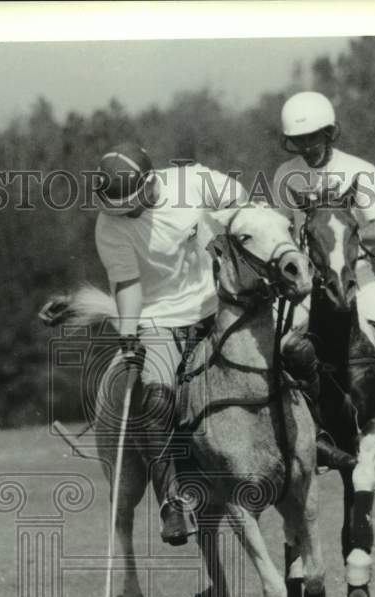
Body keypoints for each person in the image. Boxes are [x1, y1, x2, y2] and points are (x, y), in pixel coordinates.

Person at [92, 142, 257, 545]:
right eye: (118, 208)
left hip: (218, 306)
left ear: (151, 182)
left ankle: (315, 442)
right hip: (158, 319)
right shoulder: (109, 224)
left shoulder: (193, 181)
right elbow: (127, 285)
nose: (126, 213)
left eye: (132, 203)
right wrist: (129, 334)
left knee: (280, 353)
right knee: (157, 393)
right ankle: (172, 501)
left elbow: (245, 209)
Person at [273, 91, 375, 463]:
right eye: (299, 140)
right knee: (281, 350)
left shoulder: (359, 170)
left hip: (357, 277)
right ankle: (303, 432)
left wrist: (344, 236)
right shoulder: (285, 175)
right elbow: (280, 228)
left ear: (330, 132)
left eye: (313, 137)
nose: (307, 146)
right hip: (307, 286)